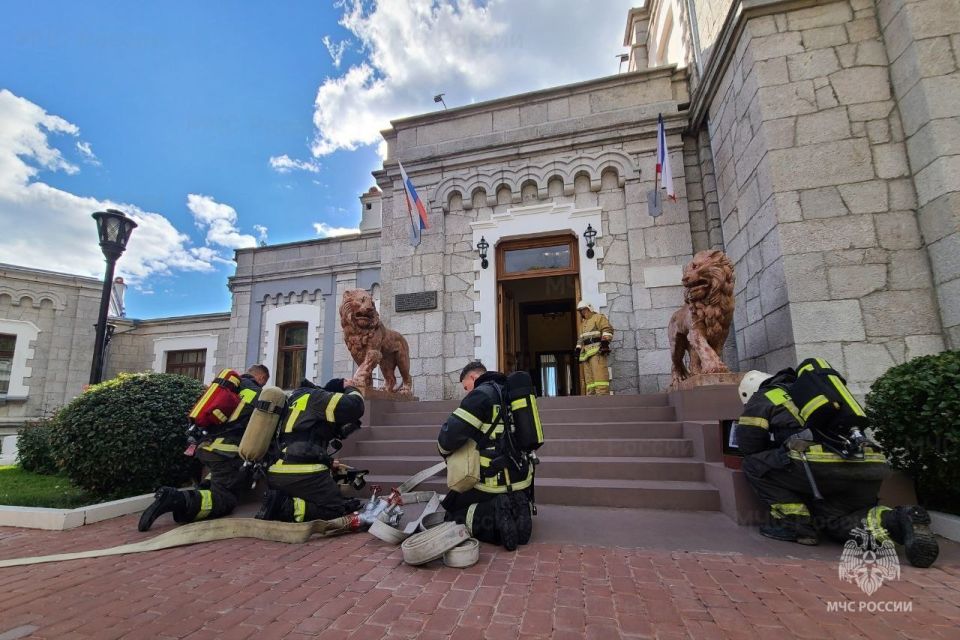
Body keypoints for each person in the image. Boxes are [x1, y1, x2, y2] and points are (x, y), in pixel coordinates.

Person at [737, 369, 939, 568]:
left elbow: (749, 445)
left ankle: (794, 525)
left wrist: (776, 448)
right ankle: (899, 520)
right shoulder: (815, 390)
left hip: (824, 463)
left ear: (750, 392)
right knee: (835, 522)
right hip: (869, 463)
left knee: (753, 464)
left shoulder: (764, 396)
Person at [139, 364, 270, 531]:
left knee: (218, 477)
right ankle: (176, 499)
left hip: (205, 445)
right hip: (226, 451)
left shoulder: (226, 387)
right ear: (261, 378)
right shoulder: (258, 394)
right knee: (226, 499)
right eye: (264, 381)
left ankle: (196, 495)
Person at [437, 360, 534, 551]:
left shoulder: (481, 395)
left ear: (473, 377)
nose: (467, 392)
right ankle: (518, 508)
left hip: (490, 480)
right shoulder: (512, 393)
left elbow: (449, 436)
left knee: (452, 515)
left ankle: (495, 516)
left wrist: (443, 451)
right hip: (521, 476)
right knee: (453, 499)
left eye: (466, 387)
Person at [255, 377, 365, 522]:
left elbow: (299, 440)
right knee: (337, 508)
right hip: (302, 472)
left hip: (276, 471)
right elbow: (355, 406)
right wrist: (351, 388)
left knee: (329, 500)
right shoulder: (317, 398)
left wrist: (328, 461)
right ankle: (283, 506)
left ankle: (282, 500)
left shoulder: (293, 399)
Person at [575, 300, 614, 395]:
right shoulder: (583, 324)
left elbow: (607, 329)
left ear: (589, 309)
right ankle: (591, 398)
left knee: (600, 377)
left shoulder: (598, 317)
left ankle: (603, 397)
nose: (582, 312)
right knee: (590, 382)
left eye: (584, 309)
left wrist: (605, 343)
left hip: (597, 352)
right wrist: (578, 350)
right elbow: (580, 339)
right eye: (581, 311)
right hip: (586, 355)